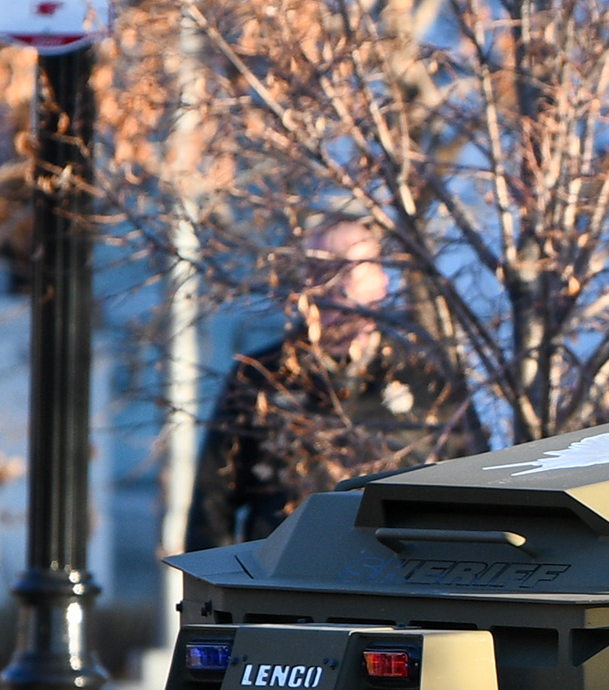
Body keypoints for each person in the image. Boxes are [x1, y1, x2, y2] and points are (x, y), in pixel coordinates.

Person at [182, 223, 468, 548]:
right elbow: (213, 500)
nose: (333, 282)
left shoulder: (426, 377)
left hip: (396, 573)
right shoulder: (262, 376)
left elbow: (465, 484)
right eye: (319, 267)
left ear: (382, 280)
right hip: (288, 578)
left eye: (349, 267)